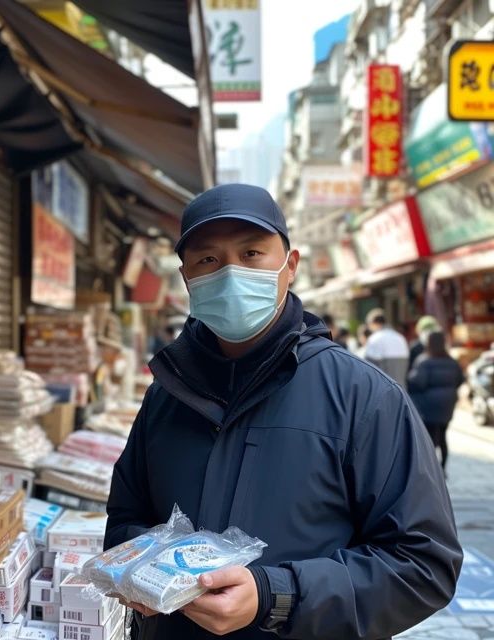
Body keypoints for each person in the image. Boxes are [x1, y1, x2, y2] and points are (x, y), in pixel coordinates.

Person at [105, 184, 462, 640]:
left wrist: (277, 595)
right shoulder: (165, 395)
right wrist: (135, 568)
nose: (231, 273)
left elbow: (423, 563)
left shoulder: (364, 396)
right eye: (208, 260)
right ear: (187, 276)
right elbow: (125, 518)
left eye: (252, 253)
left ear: (289, 266)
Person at [407, 330, 465, 474]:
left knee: (430, 437)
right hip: (447, 403)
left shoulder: (424, 361)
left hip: (428, 405)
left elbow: (418, 382)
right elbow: (460, 380)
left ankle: (432, 470)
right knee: (443, 435)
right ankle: (443, 468)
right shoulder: (452, 361)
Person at [364, 308, 410, 387]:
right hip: (401, 389)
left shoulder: (375, 338)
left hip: (383, 390)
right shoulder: (400, 337)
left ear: (374, 323)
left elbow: (368, 366)